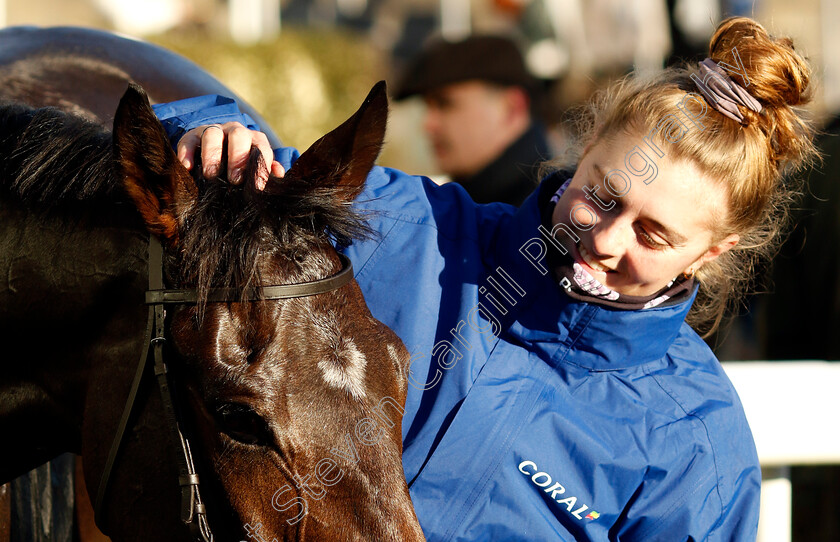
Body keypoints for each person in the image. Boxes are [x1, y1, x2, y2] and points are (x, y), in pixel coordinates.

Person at [154, 17, 816, 540]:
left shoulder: (696, 442)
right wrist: (212, 132)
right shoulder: (414, 231)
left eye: (654, 234)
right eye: (604, 196)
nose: (607, 242)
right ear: (581, 153)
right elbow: (245, 168)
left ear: (711, 252)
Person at [393, 35, 551, 206]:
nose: (428, 125)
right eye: (427, 106)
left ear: (512, 108)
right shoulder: (475, 205)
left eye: (445, 104)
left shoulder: (552, 211)